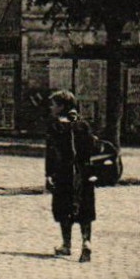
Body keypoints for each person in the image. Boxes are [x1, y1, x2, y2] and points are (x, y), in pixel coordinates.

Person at [45, 88, 97, 262]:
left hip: (64, 173)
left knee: (63, 208)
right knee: (85, 209)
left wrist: (49, 174)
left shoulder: (56, 126)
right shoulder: (83, 125)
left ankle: (66, 245)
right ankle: (86, 242)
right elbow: (91, 148)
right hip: (83, 173)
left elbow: (51, 152)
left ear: (61, 106)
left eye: (53, 105)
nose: (51, 108)